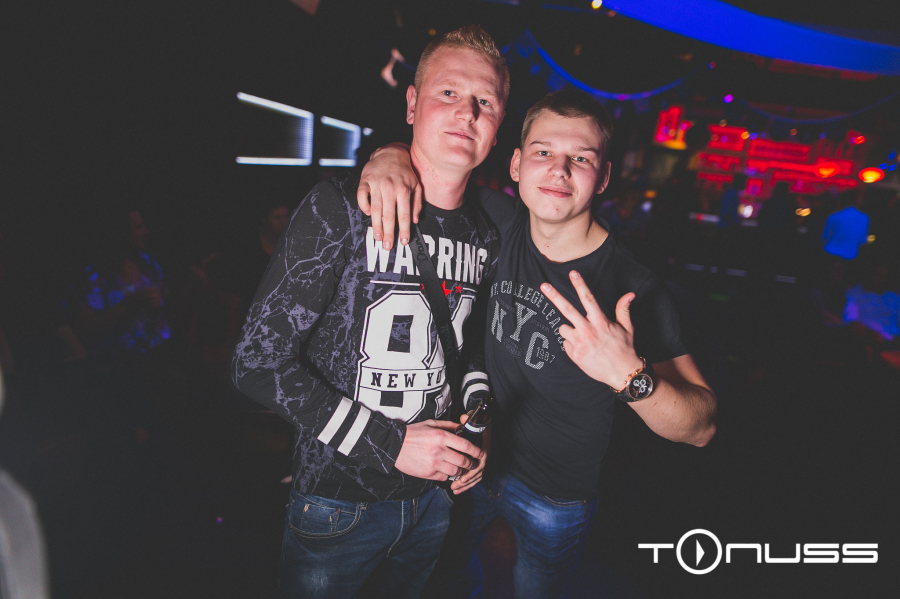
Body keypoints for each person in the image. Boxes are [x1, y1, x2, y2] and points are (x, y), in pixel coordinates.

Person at [358, 89, 717, 598]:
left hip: (557, 496)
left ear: (604, 177)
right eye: (544, 152)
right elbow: (429, 162)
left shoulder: (631, 284)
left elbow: (701, 428)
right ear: (516, 164)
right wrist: (390, 153)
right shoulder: (495, 220)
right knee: (448, 578)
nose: (559, 171)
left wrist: (629, 376)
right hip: (476, 460)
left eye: (581, 159)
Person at [231, 25, 507, 598]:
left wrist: (476, 426)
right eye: (449, 93)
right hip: (338, 502)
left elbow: (467, 350)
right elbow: (256, 364)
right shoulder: (340, 207)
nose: (468, 112)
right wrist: (392, 444)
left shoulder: (485, 234)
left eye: (486, 101)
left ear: (499, 123)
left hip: (434, 499)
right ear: (411, 105)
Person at [822, 189, 869, 260]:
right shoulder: (864, 218)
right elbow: (862, 241)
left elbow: (825, 237)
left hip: (830, 252)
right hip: (851, 255)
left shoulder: (834, 216)